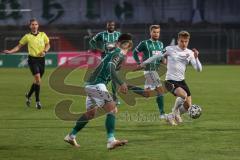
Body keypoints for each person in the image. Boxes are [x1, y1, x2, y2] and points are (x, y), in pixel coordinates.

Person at [64, 33, 133, 150]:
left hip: (92, 85)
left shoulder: (117, 54)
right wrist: (122, 83)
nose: (124, 45)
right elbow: (111, 68)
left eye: (126, 43)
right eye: (123, 42)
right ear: (118, 43)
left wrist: (115, 94)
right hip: (96, 85)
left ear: (130, 45)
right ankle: (111, 141)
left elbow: (112, 75)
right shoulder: (118, 54)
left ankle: (71, 136)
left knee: (90, 113)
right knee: (112, 109)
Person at [3, 19, 50, 109]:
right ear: (30, 26)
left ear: (38, 25)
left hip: (41, 60)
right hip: (32, 60)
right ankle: (37, 101)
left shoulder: (43, 35)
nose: (34, 26)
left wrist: (45, 51)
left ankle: (28, 95)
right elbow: (19, 46)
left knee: (37, 81)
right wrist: (10, 51)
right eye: (32, 24)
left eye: (36, 24)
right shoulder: (27, 36)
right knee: (38, 79)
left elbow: (48, 44)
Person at [132, 25, 166, 119]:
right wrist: (139, 62)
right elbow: (135, 52)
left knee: (147, 94)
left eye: (158, 32)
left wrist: (162, 60)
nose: (156, 34)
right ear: (150, 32)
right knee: (160, 90)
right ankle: (162, 114)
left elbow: (159, 57)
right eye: (154, 32)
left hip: (155, 71)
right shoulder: (145, 43)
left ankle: (129, 87)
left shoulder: (160, 44)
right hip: (149, 70)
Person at [89, 20, 121, 105]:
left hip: (115, 59)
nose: (111, 27)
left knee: (114, 78)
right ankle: (103, 97)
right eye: (109, 25)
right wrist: (99, 49)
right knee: (104, 79)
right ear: (107, 26)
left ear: (114, 26)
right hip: (105, 59)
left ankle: (115, 97)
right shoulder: (101, 34)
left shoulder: (118, 34)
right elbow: (92, 41)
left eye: (112, 25)